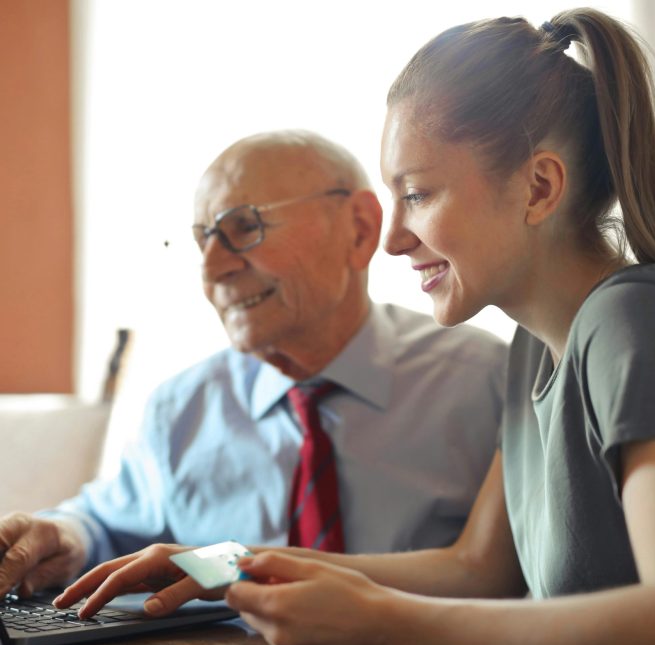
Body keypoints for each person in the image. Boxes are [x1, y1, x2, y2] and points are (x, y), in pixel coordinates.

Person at [54, 8, 655, 645]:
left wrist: (384, 627)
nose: (393, 240)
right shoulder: (533, 352)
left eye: (418, 194)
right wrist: (231, 565)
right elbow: (476, 568)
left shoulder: (630, 322)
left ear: (539, 188)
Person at [0, 130, 506, 600]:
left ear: (358, 229)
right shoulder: (183, 407)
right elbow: (108, 524)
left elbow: (508, 577)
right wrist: (64, 535)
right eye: (204, 240)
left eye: (244, 226)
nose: (212, 269)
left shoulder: (487, 381)